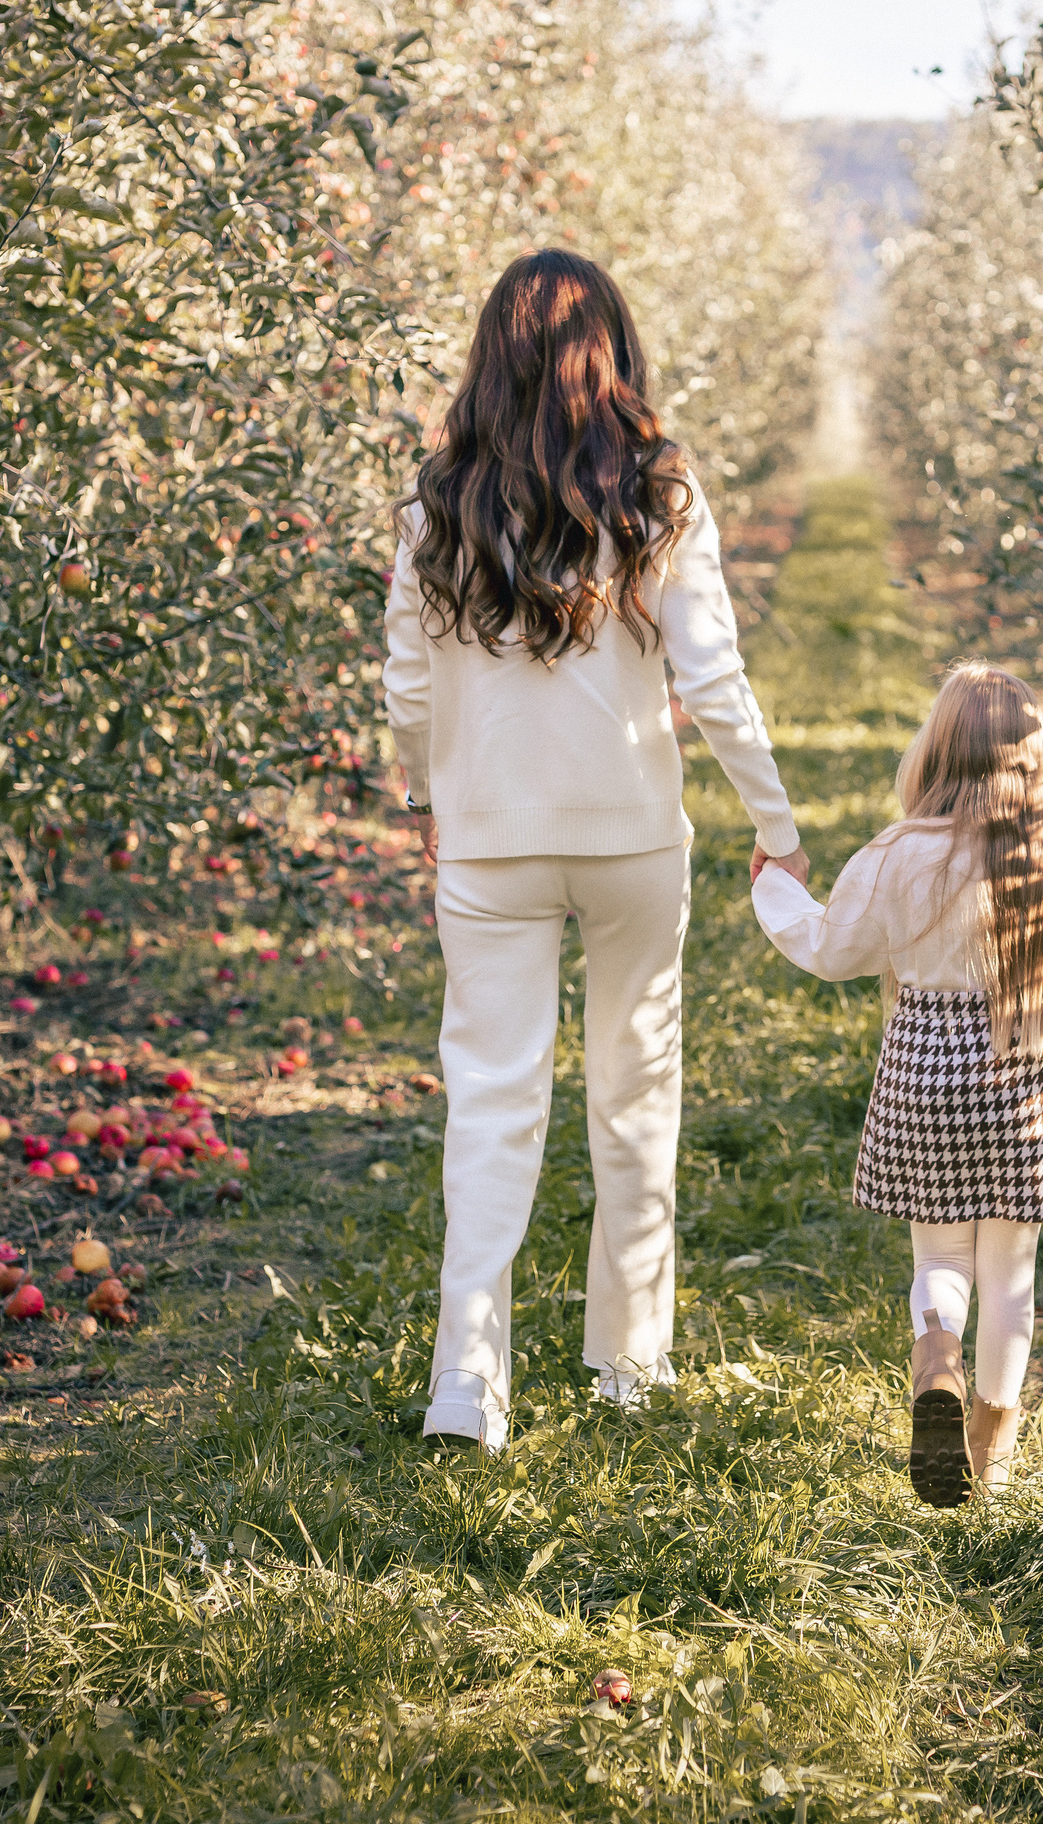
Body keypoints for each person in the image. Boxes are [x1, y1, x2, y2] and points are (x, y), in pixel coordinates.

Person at [385, 249, 807, 1453]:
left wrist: (422, 791)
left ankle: (467, 1381)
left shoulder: (438, 495)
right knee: (636, 1089)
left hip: (488, 839)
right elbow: (712, 675)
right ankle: (630, 1362)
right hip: (630, 836)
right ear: (609, 349)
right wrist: (774, 827)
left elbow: (407, 679)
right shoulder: (657, 486)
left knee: (491, 1096)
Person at [752, 662, 1043, 1505]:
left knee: (940, 1256)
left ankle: (935, 1358)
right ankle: (990, 1463)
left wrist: (776, 889)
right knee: (1012, 1281)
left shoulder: (896, 853)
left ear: (936, 751)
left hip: (924, 1079)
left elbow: (830, 949)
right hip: (1024, 1085)